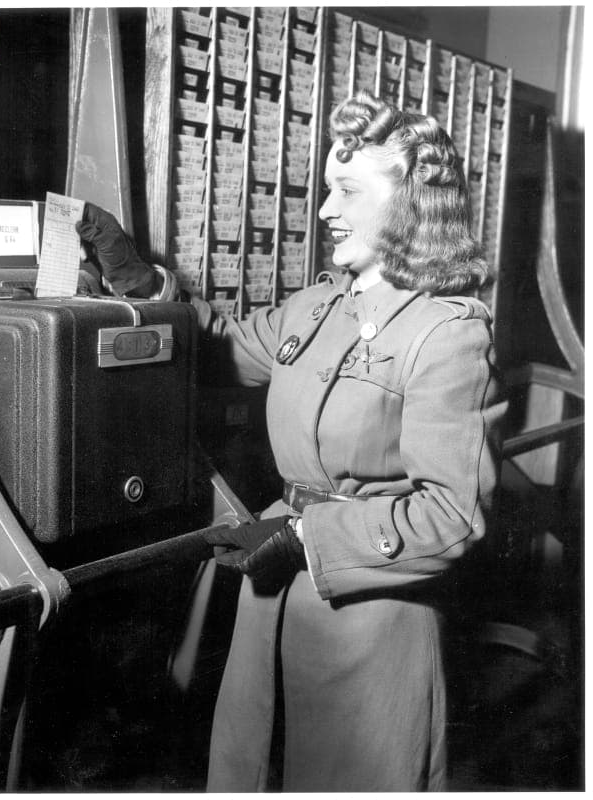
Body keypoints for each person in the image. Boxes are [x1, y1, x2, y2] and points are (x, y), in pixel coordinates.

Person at [77, 90, 507, 792]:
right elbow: (213, 353)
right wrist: (138, 277)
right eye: (324, 190)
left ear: (408, 203)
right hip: (271, 610)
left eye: (346, 191)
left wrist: (309, 539)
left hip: (369, 627)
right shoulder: (318, 307)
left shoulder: (447, 332)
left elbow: (452, 515)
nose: (324, 211)